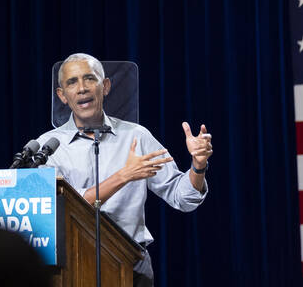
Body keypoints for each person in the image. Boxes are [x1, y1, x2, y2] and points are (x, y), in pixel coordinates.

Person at [37, 53, 213, 287]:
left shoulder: (136, 136)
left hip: (132, 263)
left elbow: (183, 197)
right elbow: (62, 208)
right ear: (62, 96)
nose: (81, 88)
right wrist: (124, 176)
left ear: (106, 86)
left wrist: (198, 166)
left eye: (90, 79)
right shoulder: (47, 146)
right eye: (72, 82)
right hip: (74, 262)